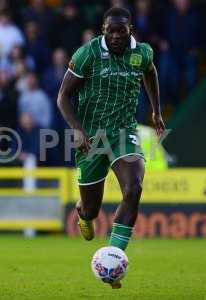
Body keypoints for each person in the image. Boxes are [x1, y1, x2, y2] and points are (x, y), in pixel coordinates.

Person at [57, 7, 165, 288]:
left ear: (130, 29)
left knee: (134, 188)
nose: (116, 36)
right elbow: (63, 97)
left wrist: (156, 111)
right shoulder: (88, 54)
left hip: (123, 133)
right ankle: (84, 213)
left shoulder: (142, 53)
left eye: (121, 30)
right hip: (91, 137)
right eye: (110, 31)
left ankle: (114, 257)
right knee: (92, 209)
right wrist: (78, 132)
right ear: (103, 30)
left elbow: (150, 73)